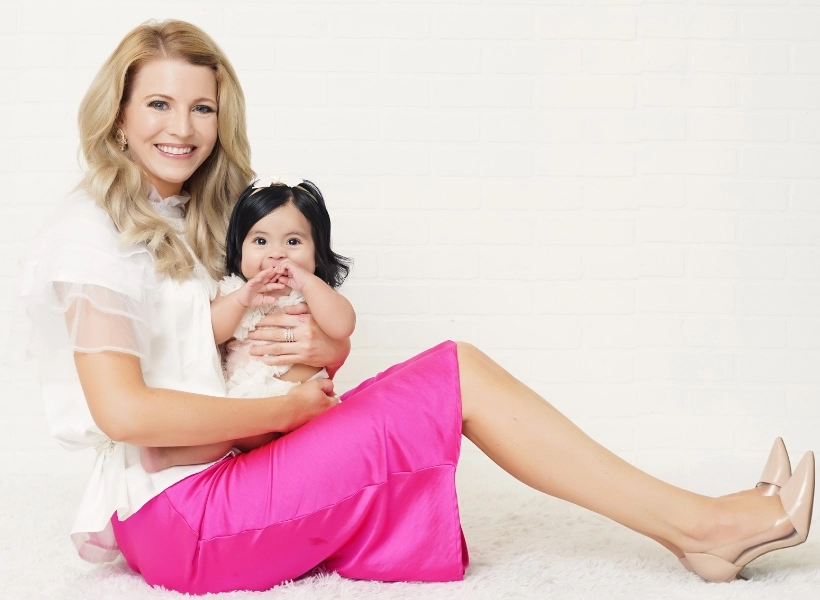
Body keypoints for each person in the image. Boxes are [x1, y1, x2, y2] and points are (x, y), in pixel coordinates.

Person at [9, 19, 814, 595]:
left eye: (201, 107)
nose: (182, 128)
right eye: (158, 105)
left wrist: (311, 361)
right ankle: (704, 529)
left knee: (444, 375)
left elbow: (237, 349)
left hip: (214, 475)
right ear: (117, 113)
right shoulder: (93, 234)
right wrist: (290, 418)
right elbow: (123, 411)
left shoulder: (192, 216)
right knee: (453, 374)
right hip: (185, 520)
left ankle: (699, 527)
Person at [139, 177, 355, 472]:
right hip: (251, 404)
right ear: (239, 250)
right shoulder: (233, 291)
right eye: (260, 241)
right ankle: (165, 456)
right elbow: (209, 331)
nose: (277, 253)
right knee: (222, 436)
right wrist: (242, 299)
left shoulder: (313, 294)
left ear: (317, 251)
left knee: (331, 442)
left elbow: (343, 326)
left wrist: (309, 282)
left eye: (293, 242)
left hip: (302, 404)